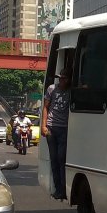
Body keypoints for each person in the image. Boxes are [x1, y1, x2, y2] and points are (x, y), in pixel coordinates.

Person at [41, 68, 71, 200]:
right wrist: (43, 126)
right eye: (60, 78)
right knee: (54, 160)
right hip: (51, 128)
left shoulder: (71, 91)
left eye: (64, 78)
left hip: (64, 129)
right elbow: (46, 107)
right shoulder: (52, 89)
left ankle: (64, 190)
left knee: (61, 159)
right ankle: (58, 190)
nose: (61, 80)